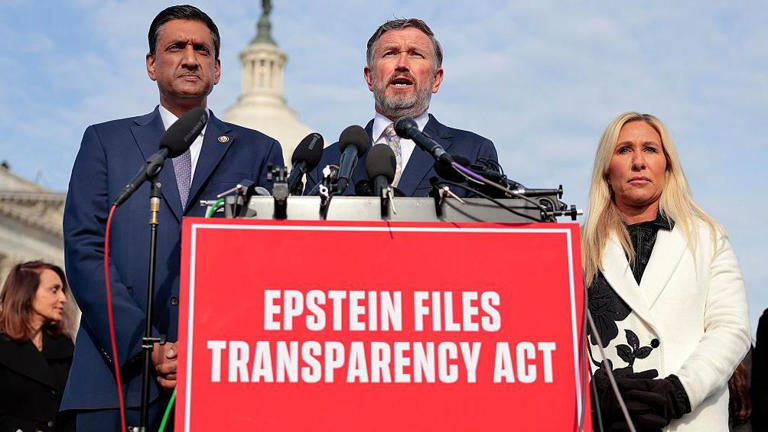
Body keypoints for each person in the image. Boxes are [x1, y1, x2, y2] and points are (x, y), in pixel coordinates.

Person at [61, 5, 283, 430]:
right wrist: (142, 345)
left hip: (219, 378)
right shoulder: (105, 141)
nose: (190, 58)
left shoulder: (259, 151)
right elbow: (86, 248)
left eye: (202, 50)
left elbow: (267, 265)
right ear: (151, 64)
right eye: (176, 47)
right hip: (115, 383)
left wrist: (204, 347)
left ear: (217, 69)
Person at [582, 112, 750, 431]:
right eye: (624, 150)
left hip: (688, 421)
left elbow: (731, 328)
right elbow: (556, 343)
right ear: (606, 169)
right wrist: (593, 395)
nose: (638, 162)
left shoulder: (708, 238)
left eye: (650, 149)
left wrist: (679, 393)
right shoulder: (576, 249)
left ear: (667, 165)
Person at [304, 18, 498, 197]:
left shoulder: (473, 152)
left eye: (416, 54)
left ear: (436, 80)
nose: (402, 64)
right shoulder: (325, 161)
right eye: (390, 53)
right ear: (370, 77)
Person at [0, 261, 75, 432]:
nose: (63, 298)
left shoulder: (64, 345)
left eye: (62, 291)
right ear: (27, 293)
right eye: (54, 290)